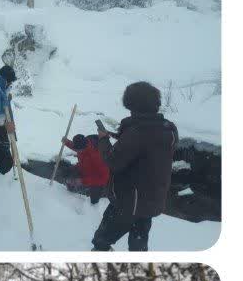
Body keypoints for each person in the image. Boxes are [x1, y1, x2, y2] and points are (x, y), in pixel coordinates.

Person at [91, 82, 178, 251]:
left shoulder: (137, 132)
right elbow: (148, 149)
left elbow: (113, 161)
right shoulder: (168, 129)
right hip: (152, 199)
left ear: (132, 105)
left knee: (102, 239)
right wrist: (121, 138)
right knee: (138, 242)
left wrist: (103, 139)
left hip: (128, 201)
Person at [61, 134, 109, 204]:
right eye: (76, 149)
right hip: (83, 169)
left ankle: (90, 205)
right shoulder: (83, 145)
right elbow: (76, 147)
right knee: (66, 172)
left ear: (84, 147)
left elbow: (104, 179)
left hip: (96, 180)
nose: (77, 151)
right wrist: (67, 142)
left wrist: (82, 181)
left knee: (92, 196)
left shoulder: (97, 156)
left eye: (79, 150)